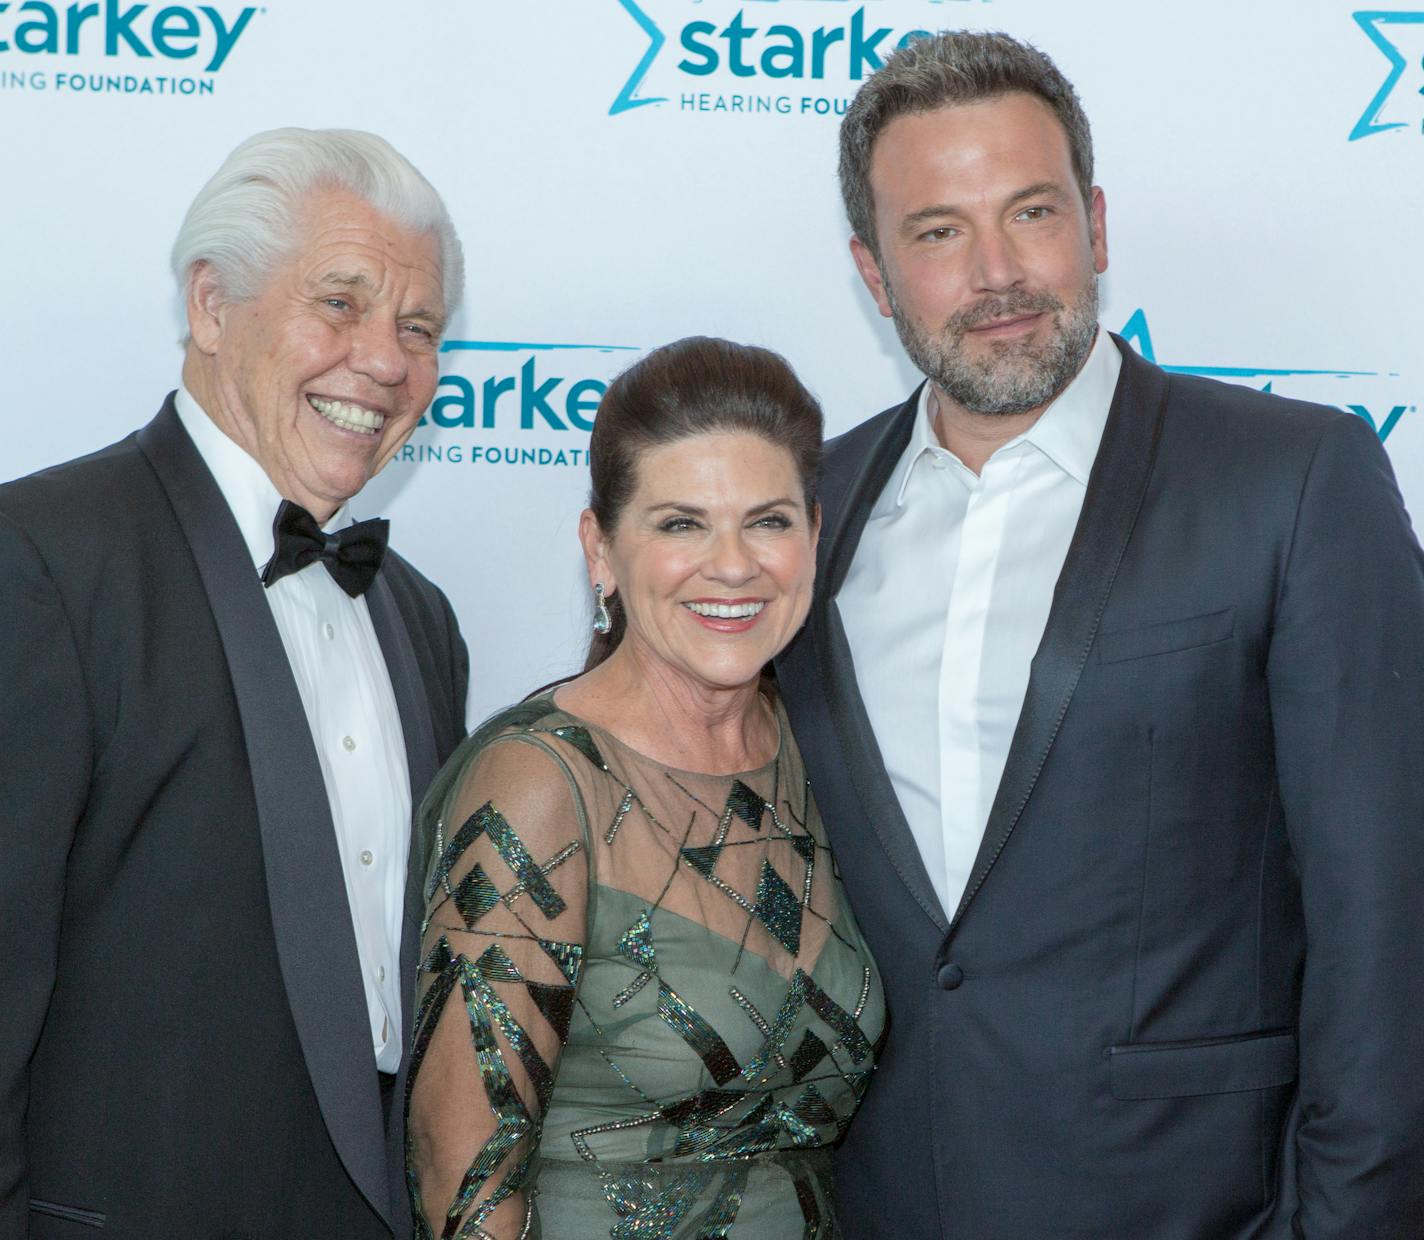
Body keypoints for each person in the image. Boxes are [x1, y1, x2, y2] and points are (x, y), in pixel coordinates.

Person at [773, 30, 1424, 1239]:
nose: (998, 271)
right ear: (871, 273)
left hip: (1196, 1206)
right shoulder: (802, 514)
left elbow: (1386, 920)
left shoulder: (1289, 482)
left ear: (1097, 224)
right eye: (936, 233)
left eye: (1031, 212)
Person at [0, 128, 470, 1239]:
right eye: (341, 304)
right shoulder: (42, 561)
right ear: (210, 306)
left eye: (418, 328)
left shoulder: (419, 615)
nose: (386, 361)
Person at [406, 337, 885, 1239]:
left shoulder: (825, 749)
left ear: (815, 537)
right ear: (602, 548)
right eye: (681, 524)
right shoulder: (536, 785)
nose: (734, 564)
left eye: (769, 521)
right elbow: (460, 1187)